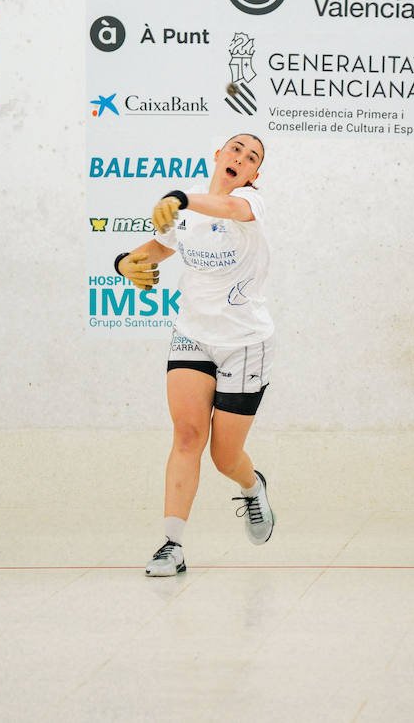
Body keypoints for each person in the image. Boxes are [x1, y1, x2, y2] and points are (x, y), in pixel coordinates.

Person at [114, 134, 276, 576]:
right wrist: (123, 262)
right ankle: (172, 545)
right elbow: (161, 248)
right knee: (187, 437)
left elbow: (227, 209)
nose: (241, 158)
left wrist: (182, 197)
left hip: (245, 344)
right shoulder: (183, 214)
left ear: (253, 175)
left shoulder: (248, 203)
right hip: (192, 336)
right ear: (218, 156)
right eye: (236, 149)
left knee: (225, 457)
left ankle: (251, 485)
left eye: (251, 158)